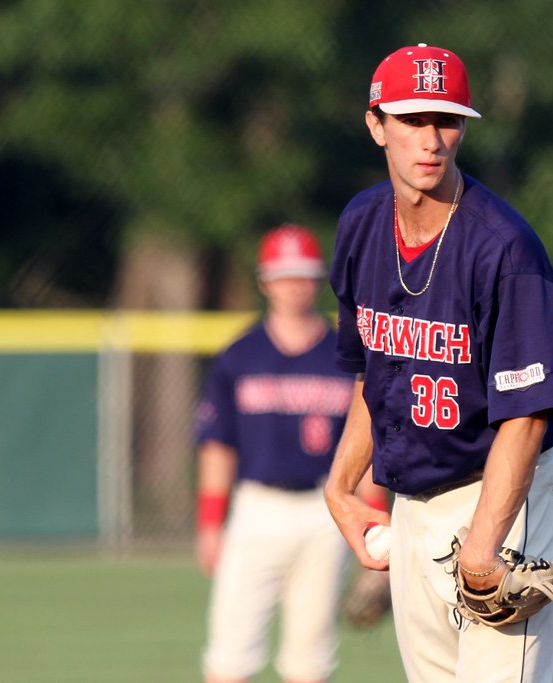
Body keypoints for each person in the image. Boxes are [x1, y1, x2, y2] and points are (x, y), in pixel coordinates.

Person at [324, 44, 553, 683]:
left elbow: (527, 416)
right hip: (412, 503)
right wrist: (341, 485)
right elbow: (373, 374)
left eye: (448, 120)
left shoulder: (505, 249)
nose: (431, 139)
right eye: (412, 120)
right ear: (376, 124)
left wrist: (485, 547)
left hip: (502, 499)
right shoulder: (360, 226)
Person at [194, 224, 375, 683]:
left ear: (318, 280)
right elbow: (219, 446)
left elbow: (366, 442)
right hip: (256, 508)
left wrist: (373, 522)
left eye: (304, 274)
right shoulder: (239, 355)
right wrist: (210, 523)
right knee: (229, 655)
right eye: (284, 274)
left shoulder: (346, 353)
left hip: (325, 511)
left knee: (310, 659)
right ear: (264, 282)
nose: (294, 284)